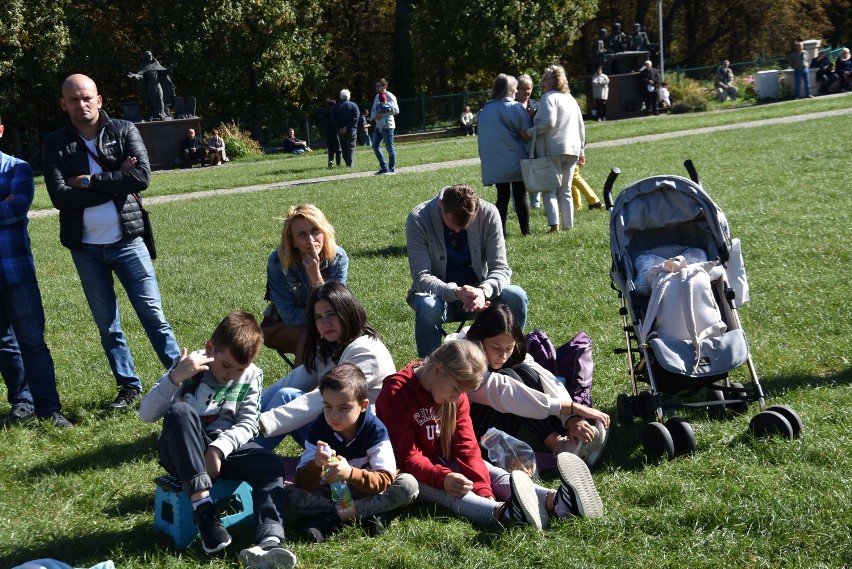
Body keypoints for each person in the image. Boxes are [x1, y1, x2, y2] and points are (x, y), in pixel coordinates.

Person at [42, 74, 180, 410]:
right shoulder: (55, 143)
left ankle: (182, 378)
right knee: (107, 324)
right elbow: (60, 196)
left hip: (128, 241)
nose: (81, 104)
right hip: (86, 249)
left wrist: (86, 182)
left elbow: (141, 177)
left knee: (153, 315)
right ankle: (129, 386)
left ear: (99, 99)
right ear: (63, 104)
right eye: (73, 99)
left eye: (87, 97)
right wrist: (114, 180)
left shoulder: (123, 130)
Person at [376, 340, 604, 530]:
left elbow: (467, 446)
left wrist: (483, 489)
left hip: (444, 459)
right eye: (455, 390)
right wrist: (444, 478)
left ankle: (558, 501)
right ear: (437, 370)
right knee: (453, 492)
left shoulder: (453, 392)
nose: (456, 399)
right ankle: (504, 513)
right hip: (410, 471)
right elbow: (406, 456)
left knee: (491, 472)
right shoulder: (396, 393)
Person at [139, 312, 297, 568]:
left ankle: (269, 540)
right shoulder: (189, 368)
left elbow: (248, 424)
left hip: (223, 449)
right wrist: (175, 378)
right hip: (181, 450)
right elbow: (146, 414)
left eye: (239, 369)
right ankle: (205, 513)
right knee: (180, 412)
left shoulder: (252, 375)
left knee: (269, 463)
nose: (231, 375)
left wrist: (218, 449)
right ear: (210, 348)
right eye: (225, 366)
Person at [458, 304, 610, 466]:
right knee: (508, 378)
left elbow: (544, 376)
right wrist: (574, 408)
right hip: (468, 436)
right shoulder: (462, 356)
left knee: (524, 369)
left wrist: (571, 418)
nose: (503, 355)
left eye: (509, 348)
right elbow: (504, 391)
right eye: (496, 347)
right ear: (479, 340)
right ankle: (559, 446)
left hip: (499, 418)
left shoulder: (508, 353)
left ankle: (569, 440)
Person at [285, 363, 418, 542]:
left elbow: (385, 479)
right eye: (328, 407)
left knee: (408, 485)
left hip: (367, 492)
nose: (334, 415)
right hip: (329, 493)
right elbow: (302, 482)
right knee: (288, 494)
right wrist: (316, 466)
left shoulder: (374, 429)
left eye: (343, 408)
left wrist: (350, 474)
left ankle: (333, 519)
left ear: (363, 405)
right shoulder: (319, 428)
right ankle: (368, 513)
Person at [257, 282, 395, 450]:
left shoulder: (366, 351)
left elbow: (319, 400)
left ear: (347, 312)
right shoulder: (331, 347)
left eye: (331, 314)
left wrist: (262, 422)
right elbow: (292, 381)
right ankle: (231, 446)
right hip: (337, 428)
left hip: (361, 444)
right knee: (283, 392)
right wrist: (245, 411)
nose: (325, 323)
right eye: (318, 317)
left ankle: (237, 460)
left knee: (287, 396)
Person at [0, 114, 72, 428]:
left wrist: (7, 203)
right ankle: (22, 403)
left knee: (32, 342)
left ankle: (49, 408)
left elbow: (14, 210)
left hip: (15, 272)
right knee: (3, 343)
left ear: (1, 130)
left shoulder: (16, 168)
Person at [406, 184, 528, 358]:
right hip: (440, 296)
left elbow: (500, 268)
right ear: (441, 204)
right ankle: (428, 369)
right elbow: (421, 277)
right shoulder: (419, 218)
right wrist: (456, 292)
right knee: (428, 307)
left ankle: (511, 359)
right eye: (452, 225)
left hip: (480, 294)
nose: (457, 230)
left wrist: (483, 291)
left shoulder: (489, 213)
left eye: (464, 226)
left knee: (516, 295)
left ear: (477, 209)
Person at [261, 204, 348, 366]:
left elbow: (339, 308)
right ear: (293, 241)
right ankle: (302, 387)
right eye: (302, 235)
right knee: (309, 336)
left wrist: (316, 279)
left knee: (343, 332)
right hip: (280, 325)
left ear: (324, 231)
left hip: (326, 324)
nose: (311, 240)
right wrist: (318, 320)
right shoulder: (278, 261)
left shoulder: (338, 258)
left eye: (315, 230)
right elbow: (288, 314)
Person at [522, 65, 586, 232]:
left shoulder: (548, 97)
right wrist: (581, 151)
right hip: (572, 149)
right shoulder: (571, 99)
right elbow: (581, 126)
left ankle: (554, 226)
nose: (542, 81)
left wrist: (529, 133)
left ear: (554, 81)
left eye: (546, 78)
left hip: (553, 149)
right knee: (565, 190)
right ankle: (568, 226)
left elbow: (549, 122)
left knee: (549, 189)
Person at [476, 74, 532, 237]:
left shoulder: (486, 109)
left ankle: (501, 232)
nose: (516, 90)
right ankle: (525, 231)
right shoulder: (515, 108)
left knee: (502, 197)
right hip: (515, 159)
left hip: (495, 162)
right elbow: (526, 130)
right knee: (520, 196)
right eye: (515, 88)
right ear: (509, 90)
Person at [516, 74, 542, 211]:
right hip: (517, 146)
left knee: (535, 173)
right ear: (517, 89)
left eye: (529, 88)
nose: (527, 92)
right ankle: (518, 204)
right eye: (523, 89)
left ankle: (536, 204)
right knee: (519, 178)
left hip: (533, 145)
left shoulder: (536, 105)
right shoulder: (512, 106)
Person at [369, 78, 399, 175]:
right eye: (376, 86)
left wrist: (382, 115)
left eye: (379, 86)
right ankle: (384, 167)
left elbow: (396, 110)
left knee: (389, 148)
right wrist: (374, 116)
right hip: (378, 126)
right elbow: (373, 110)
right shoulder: (377, 97)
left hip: (388, 125)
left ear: (385, 86)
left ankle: (392, 168)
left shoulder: (390, 96)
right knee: (374, 145)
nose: (377, 88)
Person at [331, 89, 360, 167]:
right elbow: (356, 118)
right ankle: (350, 164)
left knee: (343, 147)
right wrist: (347, 127)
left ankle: (348, 163)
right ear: (349, 96)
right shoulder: (354, 105)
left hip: (340, 131)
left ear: (340, 97)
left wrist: (340, 128)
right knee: (350, 147)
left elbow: (333, 119)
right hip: (351, 130)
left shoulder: (336, 107)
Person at [321, 98, 342, 169]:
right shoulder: (336, 112)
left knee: (330, 149)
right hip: (336, 132)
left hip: (327, 133)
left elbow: (321, 123)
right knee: (338, 149)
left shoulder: (324, 112)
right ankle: (338, 164)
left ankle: (330, 161)